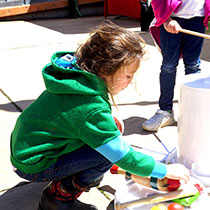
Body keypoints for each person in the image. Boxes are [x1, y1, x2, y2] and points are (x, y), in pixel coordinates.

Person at [10, 20, 190, 210]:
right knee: (105, 156)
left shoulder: (76, 75)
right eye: (128, 76)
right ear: (105, 70)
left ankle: (78, 173)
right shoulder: (90, 108)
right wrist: (164, 170)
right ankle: (58, 197)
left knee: (109, 135)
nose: (129, 82)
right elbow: (123, 156)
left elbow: (73, 118)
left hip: (26, 148)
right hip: (34, 163)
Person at [142, 0, 210, 131]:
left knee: (193, 66)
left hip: (198, 19)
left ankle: (194, 112)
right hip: (172, 19)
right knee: (168, 66)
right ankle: (165, 111)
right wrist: (165, 19)